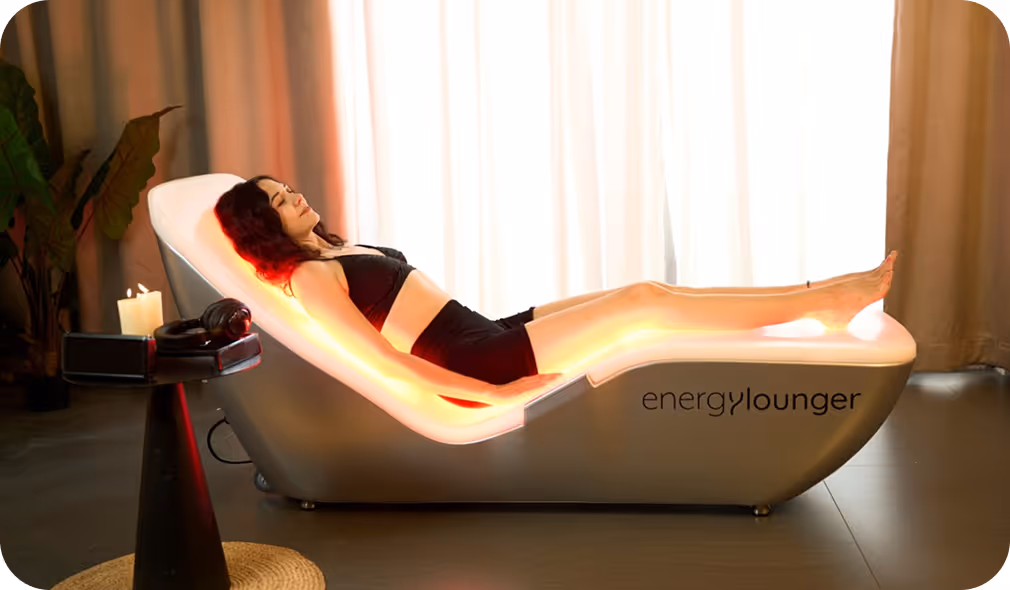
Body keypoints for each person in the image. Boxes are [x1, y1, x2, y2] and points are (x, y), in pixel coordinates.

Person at [215, 175, 896, 406]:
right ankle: (825, 302)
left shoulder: (330, 249)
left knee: (644, 290)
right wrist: (494, 392)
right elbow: (381, 360)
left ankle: (824, 289)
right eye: (277, 200)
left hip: (480, 330)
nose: (293, 196)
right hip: (475, 360)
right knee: (645, 309)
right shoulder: (309, 276)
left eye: (286, 188)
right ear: (261, 226)